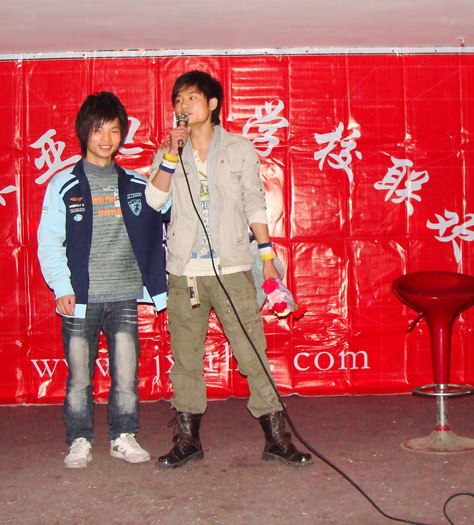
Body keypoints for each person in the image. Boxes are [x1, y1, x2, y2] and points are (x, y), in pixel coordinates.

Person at [145, 71, 312, 468]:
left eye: (191, 98)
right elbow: (153, 201)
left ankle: (277, 439)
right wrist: (171, 154)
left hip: (234, 266)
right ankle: (188, 441)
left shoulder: (239, 148)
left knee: (252, 352)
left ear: (213, 103)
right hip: (185, 271)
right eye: (178, 100)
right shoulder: (169, 150)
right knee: (186, 358)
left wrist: (267, 259)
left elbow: (255, 203)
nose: (183, 106)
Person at [37, 91, 167, 469]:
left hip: (124, 295)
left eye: (113, 130)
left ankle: (123, 436)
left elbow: (167, 205)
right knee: (80, 378)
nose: (107, 138)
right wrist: (62, 287)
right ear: (85, 133)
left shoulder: (135, 183)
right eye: (98, 130)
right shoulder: (64, 184)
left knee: (126, 375)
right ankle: (79, 439)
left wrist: (169, 159)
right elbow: (49, 241)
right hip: (82, 299)